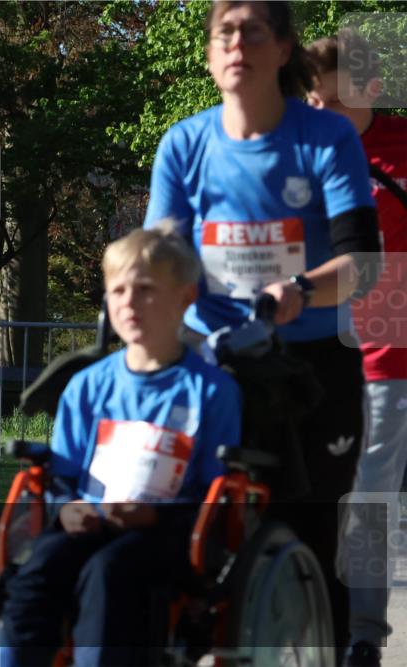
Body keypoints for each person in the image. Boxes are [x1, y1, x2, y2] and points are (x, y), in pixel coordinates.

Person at [143, 2, 380, 657]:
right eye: (224, 31)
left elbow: (361, 260)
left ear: (282, 49)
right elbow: (160, 254)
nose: (236, 42)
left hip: (310, 369)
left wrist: (299, 290)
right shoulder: (184, 144)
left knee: (306, 537)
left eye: (252, 29)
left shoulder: (326, 140)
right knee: (190, 529)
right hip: (211, 366)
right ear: (209, 55)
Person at [0, 227, 242, 667]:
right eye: (118, 290)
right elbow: (62, 476)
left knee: (110, 571)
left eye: (145, 290)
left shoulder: (212, 391)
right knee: (38, 570)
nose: (128, 302)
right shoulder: (87, 386)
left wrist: (155, 514)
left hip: (167, 531)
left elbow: (217, 493)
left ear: (185, 298)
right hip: (90, 519)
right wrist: (66, 509)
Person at [307, 30, 407, 667]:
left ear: (371, 91)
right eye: (310, 102)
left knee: (370, 493)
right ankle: (342, 630)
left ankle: (360, 635)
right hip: (332, 350)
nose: (318, 116)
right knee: (337, 493)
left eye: (331, 104)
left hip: (392, 350)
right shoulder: (295, 151)